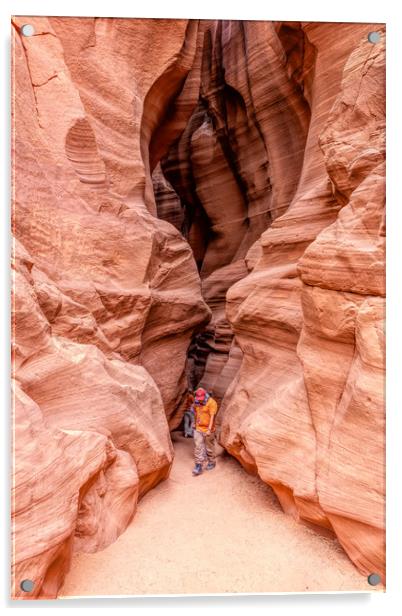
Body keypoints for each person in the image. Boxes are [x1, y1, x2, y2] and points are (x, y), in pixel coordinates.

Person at [191, 387, 218, 476]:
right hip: (199, 428)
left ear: (205, 396)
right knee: (198, 446)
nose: (200, 401)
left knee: (209, 447)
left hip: (208, 429)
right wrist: (194, 423)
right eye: (199, 399)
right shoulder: (196, 401)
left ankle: (212, 461)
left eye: (201, 399)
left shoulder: (212, 403)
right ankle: (198, 466)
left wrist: (209, 430)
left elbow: (212, 417)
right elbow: (195, 412)